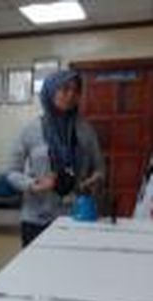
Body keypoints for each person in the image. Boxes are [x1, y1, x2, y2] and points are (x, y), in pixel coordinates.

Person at [6, 70, 105, 246]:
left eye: (76, 91)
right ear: (51, 91)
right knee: (36, 272)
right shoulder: (30, 130)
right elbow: (12, 172)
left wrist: (95, 180)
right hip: (37, 219)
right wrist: (34, 185)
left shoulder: (86, 130)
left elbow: (99, 168)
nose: (71, 95)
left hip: (76, 217)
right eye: (65, 89)